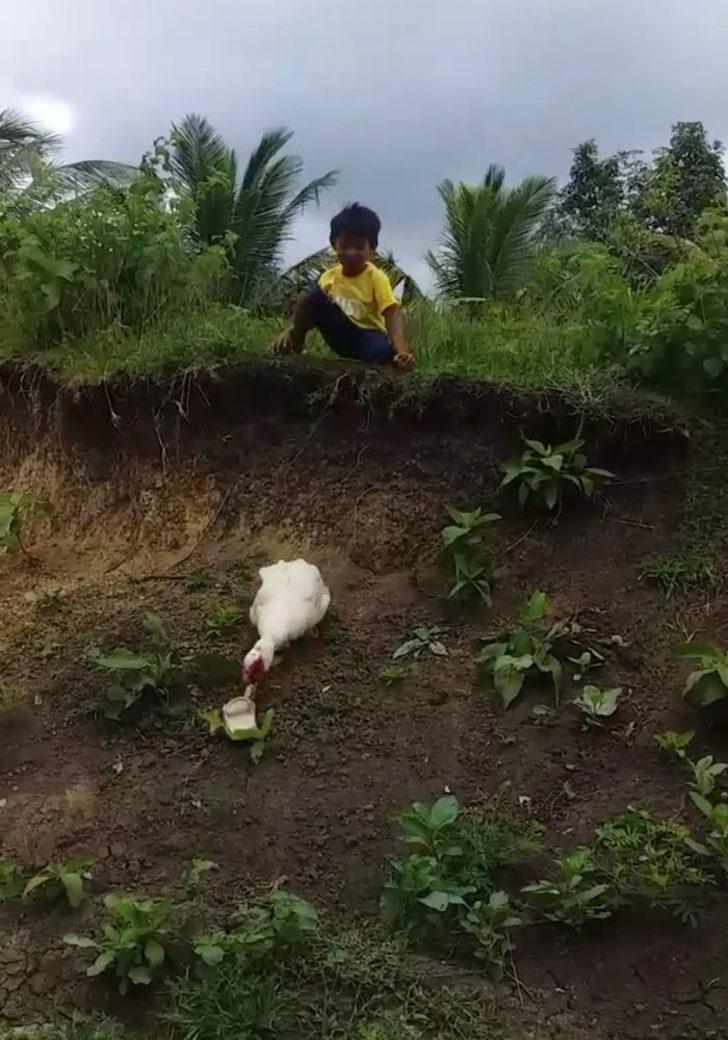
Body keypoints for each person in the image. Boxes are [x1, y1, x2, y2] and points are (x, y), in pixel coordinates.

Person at [272, 203, 415, 369]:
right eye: (345, 246)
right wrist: (292, 331)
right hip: (340, 334)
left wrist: (402, 351)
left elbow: (391, 316)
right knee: (312, 297)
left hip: (368, 338)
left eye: (359, 247)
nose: (351, 253)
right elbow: (310, 308)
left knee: (383, 351)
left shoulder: (376, 278)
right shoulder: (328, 278)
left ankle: (394, 363)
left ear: (372, 249)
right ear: (334, 245)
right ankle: (296, 348)